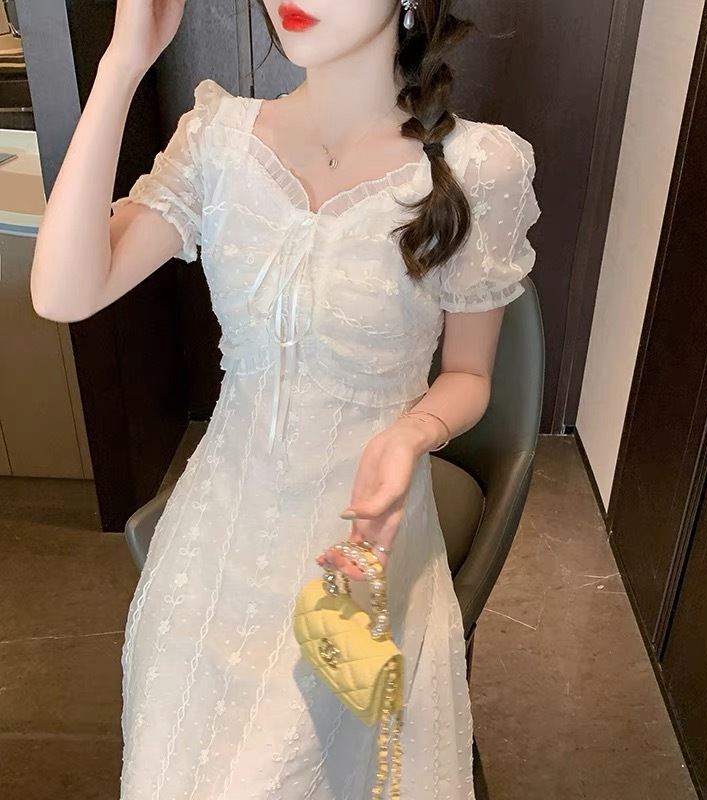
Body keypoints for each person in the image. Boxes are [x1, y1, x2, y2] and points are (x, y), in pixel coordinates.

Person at [30, 0, 541, 797]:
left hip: (358, 537)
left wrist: (410, 434)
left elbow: (470, 376)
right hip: (215, 534)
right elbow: (64, 293)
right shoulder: (219, 141)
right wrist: (121, 66)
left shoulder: (481, 166)